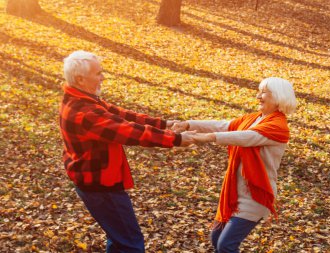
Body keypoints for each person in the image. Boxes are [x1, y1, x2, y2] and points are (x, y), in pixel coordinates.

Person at [59, 50, 195, 253]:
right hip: (100, 187)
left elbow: (122, 115)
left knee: (119, 238)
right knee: (130, 244)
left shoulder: (83, 99)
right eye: (98, 73)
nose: (102, 77)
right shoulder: (85, 112)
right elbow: (128, 131)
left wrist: (165, 124)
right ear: (80, 78)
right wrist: (175, 139)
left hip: (98, 181)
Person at [173, 77, 297, 253]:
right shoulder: (255, 118)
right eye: (259, 91)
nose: (258, 96)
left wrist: (209, 137)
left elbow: (246, 137)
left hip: (255, 194)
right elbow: (225, 125)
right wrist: (189, 124)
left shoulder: (278, 126)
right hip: (235, 193)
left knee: (226, 245)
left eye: (264, 92)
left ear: (278, 97)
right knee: (216, 239)